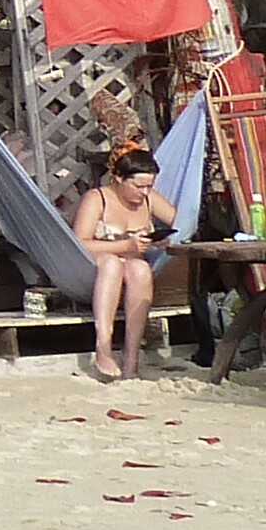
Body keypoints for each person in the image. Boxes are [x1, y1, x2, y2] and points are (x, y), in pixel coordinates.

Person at [76, 140, 178, 382]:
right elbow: (80, 244)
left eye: (149, 186)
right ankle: (104, 345)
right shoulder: (97, 198)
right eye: (139, 186)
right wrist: (125, 245)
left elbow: (181, 223)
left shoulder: (149, 199)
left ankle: (131, 356)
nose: (143, 193)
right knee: (113, 264)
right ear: (119, 178)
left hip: (133, 269)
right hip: (94, 270)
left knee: (140, 268)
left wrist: (163, 241)